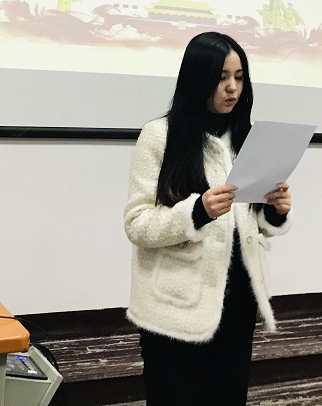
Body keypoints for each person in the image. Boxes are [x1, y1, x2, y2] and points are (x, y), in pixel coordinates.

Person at [124, 31, 292, 406]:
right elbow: (137, 223)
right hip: (175, 309)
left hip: (237, 303)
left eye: (239, 77)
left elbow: (250, 222)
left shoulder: (247, 138)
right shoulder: (160, 136)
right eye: (221, 78)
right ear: (198, 79)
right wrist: (197, 212)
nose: (233, 88)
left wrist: (275, 210)